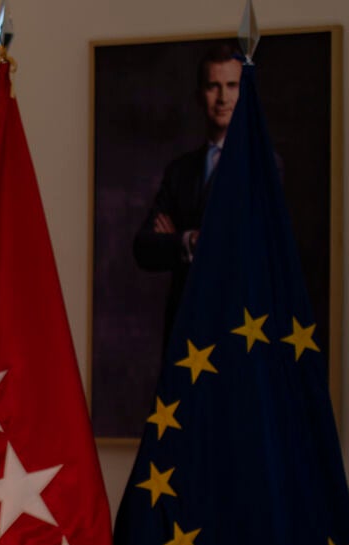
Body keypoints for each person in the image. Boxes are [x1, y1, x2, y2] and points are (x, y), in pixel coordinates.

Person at [133, 45, 242, 342]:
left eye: (232, 86)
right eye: (213, 86)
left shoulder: (263, 165)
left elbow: (240, 248)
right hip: (184, 329)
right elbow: (143, 247)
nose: (223, 98)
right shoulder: (179, 171)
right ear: (199, 96)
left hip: (237, 329)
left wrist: (177, 238)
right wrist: (188, 240)